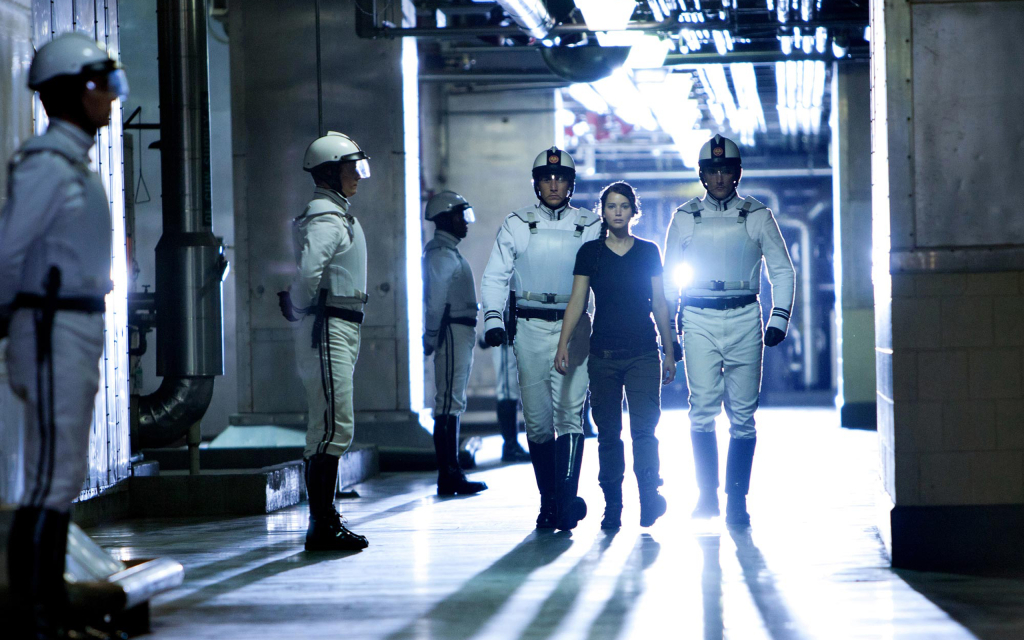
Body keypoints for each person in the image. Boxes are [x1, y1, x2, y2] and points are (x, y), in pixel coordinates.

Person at [0, 32, 128, 639]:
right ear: (72, 93)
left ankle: (50, 612)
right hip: (51, 324)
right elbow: (7, 252)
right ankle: (36, 620)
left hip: (72, 323)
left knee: (65, 470)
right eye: (101, 84)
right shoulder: (47, 165)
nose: (110, 96)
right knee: (51, 473)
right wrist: (10, 313)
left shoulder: (71, 161)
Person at [662, 134, 795, 526]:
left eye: (726, 170)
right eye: (712, 170)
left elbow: (782, 269)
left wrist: (779, 317)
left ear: (737, 173)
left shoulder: (757, 214)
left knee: (743, 414)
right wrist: (668, 332)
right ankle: (707, 496)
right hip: (698, 317)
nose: (719, 177)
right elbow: (668, 278)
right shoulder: (684, 217)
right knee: (702, 408)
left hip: (744, 316)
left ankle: (737, 500)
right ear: (702, 175)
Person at [480, 146, 601, 531]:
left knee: (570, 415)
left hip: (574, 327)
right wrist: (493, 318)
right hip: (529, 327)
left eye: (560, 178)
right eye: (547, 179)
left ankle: (564, 502)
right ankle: (549, 501)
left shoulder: (590, 224)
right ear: (536, 184)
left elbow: (604, 280)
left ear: (571, 184)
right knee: (536, 421)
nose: (553, 185)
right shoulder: (517, 223)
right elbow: (495, 275)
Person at [554, 182, 677, 530]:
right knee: (608, 434)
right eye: (611, 206)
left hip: (643, 353)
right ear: (603, 212)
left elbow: (660, 303)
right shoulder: (590, 253)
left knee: (644, 430)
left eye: (624, 206)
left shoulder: (648, 251)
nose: (618, 211)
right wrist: (563, 343)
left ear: (634, 211)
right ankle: (613, 506)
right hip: (603, 356)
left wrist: (669, 350)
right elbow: (577, 302)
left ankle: (649, 496)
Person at [280, 131, 371, 551]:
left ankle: (325, 520)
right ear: (330, 172)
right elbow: (309, 273)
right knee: (333, 426)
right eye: (351, 168)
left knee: (328, 424)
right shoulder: (327, 218)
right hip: (329, 326)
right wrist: (299, 304)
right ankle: (323, 523)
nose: (357, 175)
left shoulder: (335, 214)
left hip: (339, 324)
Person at [422, 190, 488, 495]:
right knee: (448, 402)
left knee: (453, 401)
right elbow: (436, 304)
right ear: (446, 218)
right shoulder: (440, 254)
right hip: (451, 332)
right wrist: (431, 337)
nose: (466, 222)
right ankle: (449, 474)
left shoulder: (447, 252)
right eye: (461, 216)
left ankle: (452, 472)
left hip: (458, 332)